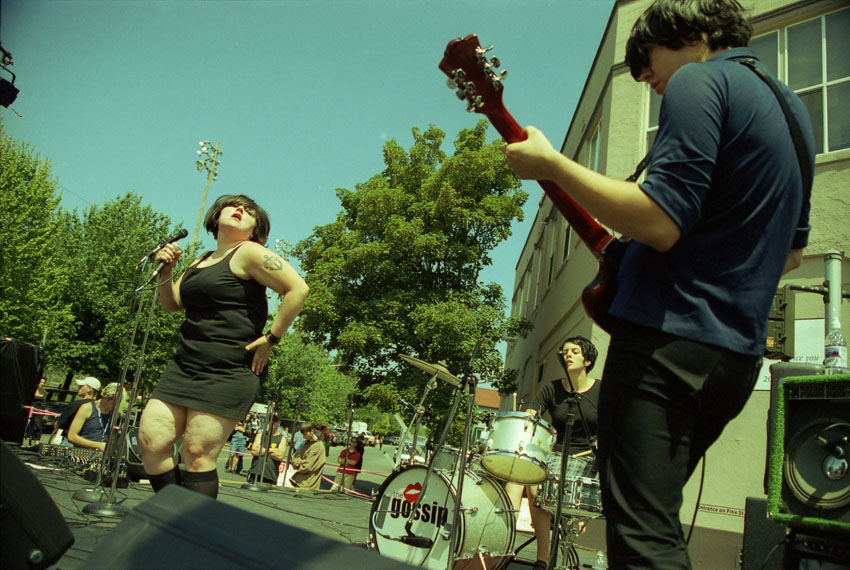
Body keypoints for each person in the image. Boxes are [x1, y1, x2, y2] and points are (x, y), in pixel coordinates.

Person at [503, 1, 813, 567]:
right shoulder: (792, 109)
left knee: (643, 536)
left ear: (692, 34)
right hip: (735, 360)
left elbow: (660, 221)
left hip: (666, 346)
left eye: (645, 59)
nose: (644, 77)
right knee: (656, 521)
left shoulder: (701, 79)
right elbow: (791, 255)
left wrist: (552, 164)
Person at [138, 194, 309, 499]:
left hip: (227, 369)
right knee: (151, 441)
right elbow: (172, 304)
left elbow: (298, 288)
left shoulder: (250, 253)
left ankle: (192, 531)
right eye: (234, 206)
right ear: (216, 217)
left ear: (255, 229)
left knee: (196, 452)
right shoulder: (201, 259)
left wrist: (271, 338)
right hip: (184, 364)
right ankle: (172, 513)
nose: (240, 210)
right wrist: (167, 272)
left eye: (250, 211)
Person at [505, 336, 600, 569]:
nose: (567, 354)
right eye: (565, 351)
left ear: (587, 360)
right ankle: (511, 548)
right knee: (519, 480)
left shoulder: (601, 391)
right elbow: (532, 412)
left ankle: (551, 549)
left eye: (575, 351)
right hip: (554, 454)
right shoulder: (552, 388)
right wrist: (529, 416)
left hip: (586, 459)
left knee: (538, 487)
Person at [66, 382, 120, 450]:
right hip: (83, 455)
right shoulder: (87, 408)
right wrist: (98, 445)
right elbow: (71, 437)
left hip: (103, 457)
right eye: (115, 401)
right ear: (106, 397)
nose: (117, 405)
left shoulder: (115, 414)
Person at [53, 376, 101, 443]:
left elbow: (58, 424)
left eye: (81, 386)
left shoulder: (76, 404)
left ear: (89, 389)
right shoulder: (98, 406)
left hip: (71, 441)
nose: (79, 387)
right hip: (89, 441)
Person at [246, 414, 286, 484]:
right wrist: (271, 450)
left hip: (270, 476)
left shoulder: (282, 438)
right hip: (255, 473)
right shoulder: (260, 434)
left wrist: (263, 450)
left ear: (279, 423)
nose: (272, 422)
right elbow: (254, 451)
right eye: (270, 420)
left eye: (275, 420)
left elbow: (280, 456)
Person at [290, 422, 327, 491]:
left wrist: (299, 464)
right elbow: (295, 458)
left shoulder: (318, 446)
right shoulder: (305, 443)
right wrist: (300, 462)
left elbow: (307, 466)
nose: (304, 436)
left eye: (305, 434)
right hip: (300, 482)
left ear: (312, 431)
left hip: (309, 485)